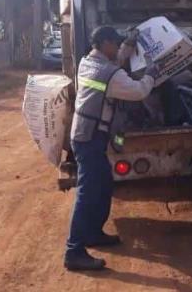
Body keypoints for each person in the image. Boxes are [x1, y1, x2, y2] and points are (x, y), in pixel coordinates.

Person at [64, 25, 160, 271]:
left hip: (86, 134)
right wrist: (151, 74)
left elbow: (116, 61)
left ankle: (94, 233)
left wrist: (128, 45)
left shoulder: (88, 62)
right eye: (115, 43)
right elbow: (138, 91)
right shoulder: (110, 74)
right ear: (104, 43)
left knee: (103, 184)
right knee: (87, 194)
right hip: (90, 138)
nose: (118, 47)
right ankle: (74, 251)